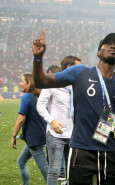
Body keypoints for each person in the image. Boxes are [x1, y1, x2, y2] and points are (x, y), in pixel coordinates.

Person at [31, 29, 115, 185]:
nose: (113, 46)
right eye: (108, 43)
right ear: (98, 53)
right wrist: (38, 58)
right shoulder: (80, 72)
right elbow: (41, 82)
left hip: (108, 151)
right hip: (81, 149)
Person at [37, 56, 80, 185]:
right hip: (56, 135)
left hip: (73, 135)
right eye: (79, 67)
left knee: (73, 171)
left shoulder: (76, 87)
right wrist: (52, 120)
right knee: (54, 171)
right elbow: (40, 105)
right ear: (69, 68)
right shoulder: (52, 85)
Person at [11, 73, 49, 185]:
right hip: (38, 136)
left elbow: (20, 119)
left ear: (29, 84)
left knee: (45, 170)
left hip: (34, 139)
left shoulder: (27, 96)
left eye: (22, 81)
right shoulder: (38, 96)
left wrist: (13, 135)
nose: (20, 83)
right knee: (21, 161)